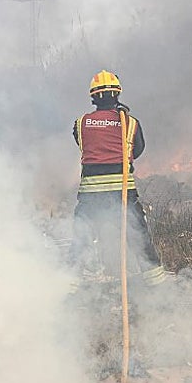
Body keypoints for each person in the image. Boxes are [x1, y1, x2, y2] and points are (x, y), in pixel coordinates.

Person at [73, 70, 166, 285]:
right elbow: (137, 150)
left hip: (90, 198)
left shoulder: (81, 123)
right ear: (118, 94)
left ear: (93, 97)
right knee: (139, 238)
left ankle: (69, 288)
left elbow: (84, 147)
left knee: (81, 239)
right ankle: (158, 288)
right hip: (122, 194)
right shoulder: (130, 123)